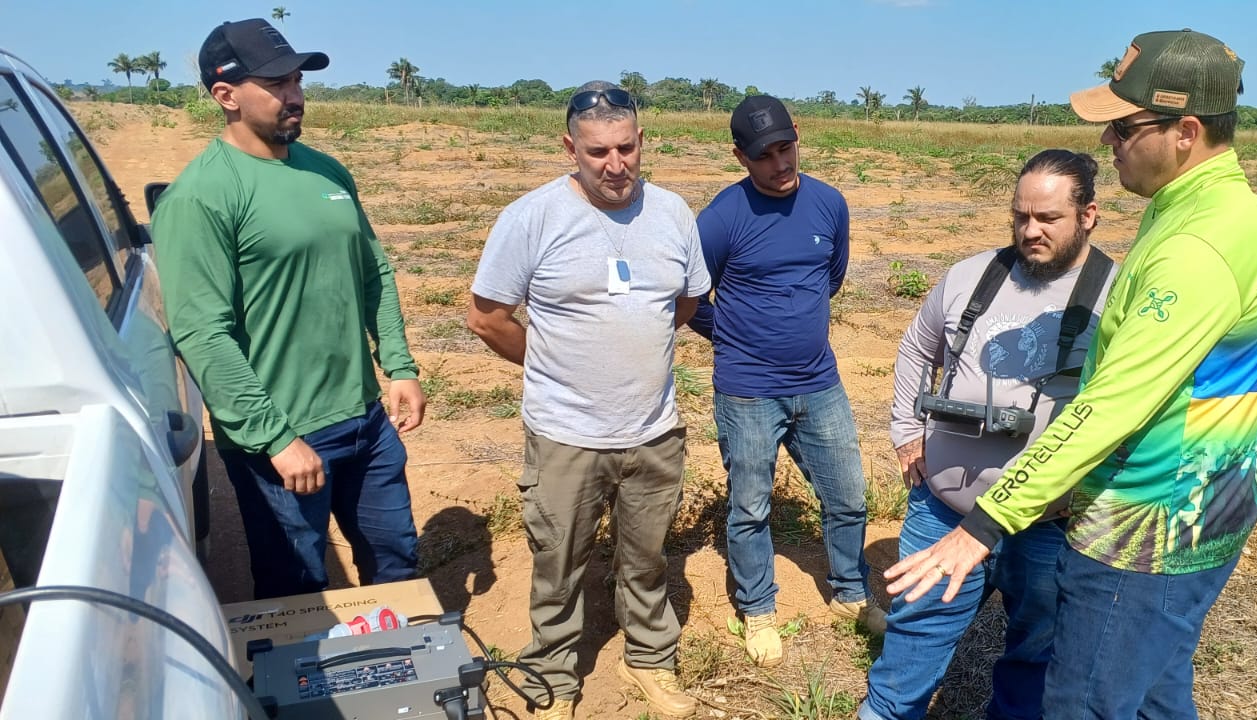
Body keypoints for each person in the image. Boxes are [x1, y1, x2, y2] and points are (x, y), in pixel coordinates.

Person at [887, 29, 1257, 719]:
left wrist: (986, 522)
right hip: (1200, 505)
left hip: (1147, 528)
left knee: (1085, 701)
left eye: (1124, 128)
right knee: (1157, 695)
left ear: (1186, 131)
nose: (1108, 142)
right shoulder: (1196, 209)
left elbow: (1110, 406)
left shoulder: (1197, 246)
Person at [154, 18, 426, 601]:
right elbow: (202, 333)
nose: (295, 94)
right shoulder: (201, 196)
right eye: (276, 83)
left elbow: (373, 271)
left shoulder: (326, 170)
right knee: (298, 593)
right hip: (281, 438)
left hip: (366, 423)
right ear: (225, 95)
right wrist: (275, 439)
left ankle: (399, 661)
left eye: (297, 80)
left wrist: (400, 366)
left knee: (397, 567)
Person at [466, 81, 707, 720]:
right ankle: (554, 676)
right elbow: (487, 317)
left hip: (653, 430)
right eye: (598, 151)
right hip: (564, 435)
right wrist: (553, 365)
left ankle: (649, 659)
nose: (615, 164)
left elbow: (685, 302)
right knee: (559, 564)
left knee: (647, 559)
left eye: (626, 148)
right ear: (569, 148)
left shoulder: (673, 213)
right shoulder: (532, 217)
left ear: (641, 141)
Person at [861, 150, 1115, 720]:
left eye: (1048, 218)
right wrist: (907, 431)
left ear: (1088, 215)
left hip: (1047, 525)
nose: (1030, 230)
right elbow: (916, 348)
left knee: (1035, 656)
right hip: (944, 511)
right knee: (912, 643)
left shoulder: (1115, 295)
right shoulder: (970, 275)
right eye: (1020, 216)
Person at [686, 95, 883, 667]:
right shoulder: (721, 218)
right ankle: (758, 608)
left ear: (798, 134)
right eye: (763, 156)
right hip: (748, 390)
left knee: (847, 494)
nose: (779, 163)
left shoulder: (829, 204)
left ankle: (850, 592)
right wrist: (736, 338)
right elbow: (691, 297)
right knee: (750, 506)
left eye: (785, 148)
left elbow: (831, 278)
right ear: (740, 157)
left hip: (819, 382)